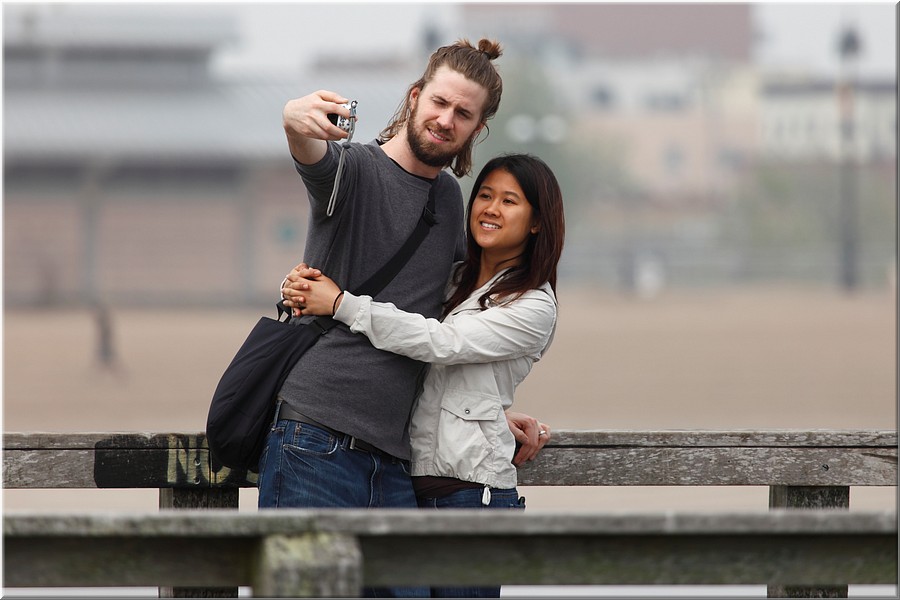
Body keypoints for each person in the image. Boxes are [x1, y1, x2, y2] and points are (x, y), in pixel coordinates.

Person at [259, 37, 547, 569]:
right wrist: (292, 119)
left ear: (476, 130)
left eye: (463, 113)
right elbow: (312, 157)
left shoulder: (447, 200)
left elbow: (439, 325)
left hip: (395, 459)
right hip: (314, 437)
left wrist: (485, 415)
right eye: (438, 102)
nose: (445, 119)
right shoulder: (356, 171)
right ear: (414, 97)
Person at [282, 153, 565, 598]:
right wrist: (302, 284)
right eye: (485, 195)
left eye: (510, 201)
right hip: (408, 489)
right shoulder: (453, 280)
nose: (491, 208)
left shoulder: (534, 305)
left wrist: (341, 303)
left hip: (471, 497)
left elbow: (442, 343)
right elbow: (426, 366)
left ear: (535, 221)